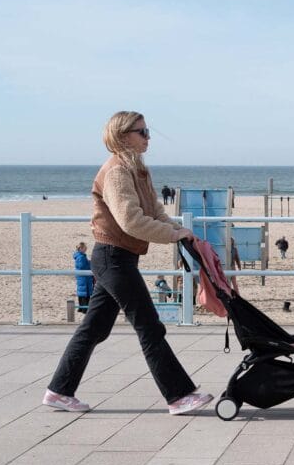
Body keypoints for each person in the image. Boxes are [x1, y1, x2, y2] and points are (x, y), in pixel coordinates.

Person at [43, 111, 212, 416]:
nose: (148, 137)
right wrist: (173, 235)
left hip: (120, 258)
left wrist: (178, 231)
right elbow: (131, 221)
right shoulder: (117, 172)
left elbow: (156, 211)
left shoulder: (137, 170)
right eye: (142, 131)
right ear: (123, 136)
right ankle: (178, 396)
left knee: (94, 329)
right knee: (149, 326)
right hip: (112, 258)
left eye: (148, 131)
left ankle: (59, 391)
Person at [73, 242, 94, 312]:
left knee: (82, 293)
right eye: (85, 248)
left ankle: (81, 308)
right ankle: (84, 309)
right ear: (81, 248)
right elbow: (82, 266)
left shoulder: (80, 256)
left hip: (82, 277)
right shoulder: (81, 257)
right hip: (84, 278)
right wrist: (90, 265)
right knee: (85, 293)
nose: (86, 249)